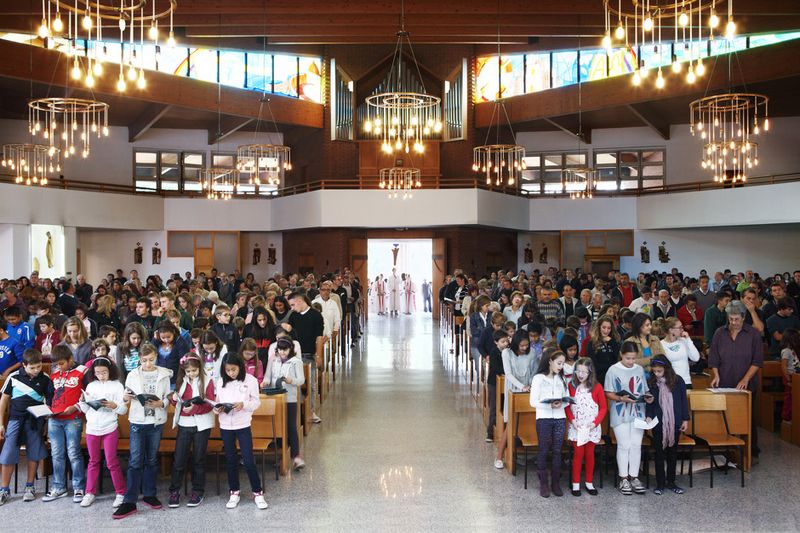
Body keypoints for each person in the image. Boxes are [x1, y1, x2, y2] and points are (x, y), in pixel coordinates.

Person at [114, 343, 172, 519]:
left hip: (156, 421)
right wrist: (126, 397)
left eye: (151, 360)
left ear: (156, 357)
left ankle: (149, 494)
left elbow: (167, 397)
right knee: (135, 460)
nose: (148, 363)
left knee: (152, 459)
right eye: (144, 360)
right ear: (139, 359)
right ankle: (130, 501)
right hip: (138, 421)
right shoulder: (132, 374)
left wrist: (161, 403)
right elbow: (125, 396)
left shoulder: (164, 374)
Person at [708, 300, 764, 459]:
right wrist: (716, 374)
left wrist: (745, 379)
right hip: (724, 382)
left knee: (748, 419)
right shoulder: (720, 332)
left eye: (737, 319)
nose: (733, 322)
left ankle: (750, 451)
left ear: (744, 317)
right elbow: (714, 357)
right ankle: (727, 450)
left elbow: (757, 361)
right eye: (730, 319)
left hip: (746, 386)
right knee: (725, 418)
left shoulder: (753, 334)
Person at [0, 348, 53, 505]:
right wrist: (1, 423)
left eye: (39, 366)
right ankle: (4, 489)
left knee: (34, 453)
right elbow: (3, 401)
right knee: (8, 452)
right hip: (16, 419)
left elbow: (50, 403)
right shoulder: (13, 377)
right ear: (24, 365)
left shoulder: (45, 378)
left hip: (35, 421)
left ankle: (30, 487)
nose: (36, 370)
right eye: (32, 367)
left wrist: (47, 423)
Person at [214, 353, 268, 510]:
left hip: (243, 424)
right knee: (230, 460)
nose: (231, 373)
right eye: (228, 370)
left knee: (248, 459)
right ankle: (234, 491)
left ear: (240, 367)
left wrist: (243, 404)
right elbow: (217, 402)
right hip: (225, 425)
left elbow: (256, 402)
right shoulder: (220, 381)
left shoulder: (250, 380)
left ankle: (257, 492)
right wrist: (218, 409)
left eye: (233, 369)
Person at [605, 341, 654, 495]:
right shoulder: (613, 370)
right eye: (628, 358)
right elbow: (608, 392)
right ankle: (623, 478)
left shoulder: (639, 369)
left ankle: (634, 477)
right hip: (621, 412)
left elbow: (644, 389)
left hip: (638, 411)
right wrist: (621, 399)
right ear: (621, 354)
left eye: (633, 358)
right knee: (624, 445)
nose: (631, 362)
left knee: (636, 444)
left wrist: (649, 398)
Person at [78, 356, 127, 508]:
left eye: (104, 372)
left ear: (110, 370)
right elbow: (85, 409)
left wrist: (114, 406)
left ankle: (120, 492)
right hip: (92, 427)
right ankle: (89, 492)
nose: (101, 375)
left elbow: (123, 410)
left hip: (110, 426)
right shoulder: (91, 385)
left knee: (112, 461)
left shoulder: (117, 386)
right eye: (98, 373)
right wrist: (82, 401)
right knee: (93, 461)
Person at [168, 353, 216, 508]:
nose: (191, 374)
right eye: (188, 371)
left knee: (198, 459)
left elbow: (210, 404)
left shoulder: (207, 380)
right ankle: (174, 491)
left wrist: (195, 408)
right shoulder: (181, 381)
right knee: (179, 459)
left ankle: (198, 490)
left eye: (194, 371)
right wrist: (175, 401)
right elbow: (177, 403)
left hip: (202, 425)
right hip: (185, 423)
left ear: (199, 368)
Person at [43, 345, 87, 503]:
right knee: (56, 454)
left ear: (70, 360)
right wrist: (46, 409)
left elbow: (87, 396)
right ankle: (59, 486)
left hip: (72, 419)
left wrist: (75, 407)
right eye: (56, 365)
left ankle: (78, 487)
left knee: (74, 453)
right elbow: (49, 396)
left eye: (62, 363)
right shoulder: (54, 375)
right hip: (55, 419)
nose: (59, 367)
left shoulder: (81, 372)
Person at [646, 357, 690, 496]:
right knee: (659, 454)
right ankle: (660, 484)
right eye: (655, 371)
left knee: (672, 454)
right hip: (658, 423)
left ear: (667, 369)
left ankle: (671, 482)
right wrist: (648, 415)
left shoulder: (678, 381)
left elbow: (683, 401)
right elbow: (649, 402)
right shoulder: (652, 382)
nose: (657, 374)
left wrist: (685, 419)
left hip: (674, 422)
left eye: (659, 371)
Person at [566, 357, 607, 497]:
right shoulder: (571, 386)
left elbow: (603, 408)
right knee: (578, 454)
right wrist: (572, 421)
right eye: (578, 371)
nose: (581, 375)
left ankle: (589, 482)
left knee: (590, 454)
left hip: (591, 427)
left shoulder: (597, 387)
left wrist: (594, 423)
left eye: (584, 372)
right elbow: (567, 406)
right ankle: (576, 483)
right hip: (577, 427)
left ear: (590, 372)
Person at [262, 337, 306, 470]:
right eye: (280, 350)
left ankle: (296, 456)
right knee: (279, 427)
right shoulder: (273, 360)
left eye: (285, 350)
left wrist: (290, 380)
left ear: (290, 349)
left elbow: (301, 380)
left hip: (289, 398)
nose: (282, 353)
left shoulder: (295, 362)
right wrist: (264, 382)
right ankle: (282, 455)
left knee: (291, 427)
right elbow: (268, 376)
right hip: (275, 397)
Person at [530, 349, 568, 498]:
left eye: (563, 364)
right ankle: (544, 483)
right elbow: (533, 401)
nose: (560, 366)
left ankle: (556, 483)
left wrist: (561, 404)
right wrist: (549, 405)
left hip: (560, 417)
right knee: (544, 449)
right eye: (559, 363)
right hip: (544, 417)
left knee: (558, 450)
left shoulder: (562, 379)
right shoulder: (539, 378)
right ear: (550, 361)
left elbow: (567, 398)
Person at [495, 330, 536, 470]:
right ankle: (499, 456)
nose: (525, 348)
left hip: (528, 389)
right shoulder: (507, 353)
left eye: (527, 345)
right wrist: (521, 387)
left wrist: (529, 385)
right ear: (516, 343)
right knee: (511, 423)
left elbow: (533, 371)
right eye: (522, 345)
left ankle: (524, 454)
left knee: (525, 421)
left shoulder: (532, 353)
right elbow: (508, 374)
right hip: (513, 389)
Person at [287, 292, 324, 424]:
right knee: (294, 383)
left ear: (300, 301)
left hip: (309, 354)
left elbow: (319, 337)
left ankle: (311, 410)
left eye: (292, 304)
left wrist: (318, 355)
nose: (291, 308)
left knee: (311, 384)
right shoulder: (293, 316)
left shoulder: (316, 315)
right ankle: (297, 410)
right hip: (294, 355)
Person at [660, 317, 701, 388]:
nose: (682, 330)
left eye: (682, 327)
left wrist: (688, 339)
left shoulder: (684, 341)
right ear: (671, 330)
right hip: (669, 382)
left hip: (686, 381)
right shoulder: (661, 344)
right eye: (680, 328)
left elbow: (696, 358)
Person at [485, 329, 509, 444]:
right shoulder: (494, 352)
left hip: (505, 381)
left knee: (504, 405)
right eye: (503, 342)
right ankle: (490, 432)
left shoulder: (508, 352)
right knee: (494, 406)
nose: (505, 344)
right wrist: (506, 372)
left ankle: (502, 429)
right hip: (494, 382)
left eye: (506, 341)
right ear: (496, 342)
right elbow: (496, 367)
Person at [586, 315, 620, 386]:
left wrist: (611, 342)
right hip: (599, 378)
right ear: (599, 327)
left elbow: (619, 357)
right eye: (603, 327)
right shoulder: (592, 343)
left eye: (609, 328)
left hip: (614, 376)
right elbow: (593, 364)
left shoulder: (615, 341)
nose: (606, 331)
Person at [469, 295, 491, 382]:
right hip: (477, 344)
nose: (488, 308)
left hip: (489, 345)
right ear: (481, 306)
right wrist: (486, 332)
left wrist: (482, 330)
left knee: (488, 369)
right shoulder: (474, 316)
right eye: (487, 306)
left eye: (489, 305)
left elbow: (493, 330)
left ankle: (486, 388)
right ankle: (479, 388)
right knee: (479, 368)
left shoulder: (491, 315)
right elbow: (474, 332)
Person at [780, 329, 800, 421]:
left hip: (796, 377)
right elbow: (784, 366)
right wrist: (788, 379)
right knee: (789, 398)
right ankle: (786, 417)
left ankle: (794, 416)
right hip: (790, 377)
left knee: (795, 397)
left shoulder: (793, 350)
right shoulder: (786, 351)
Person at [0, 316, 24, 380]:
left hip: (12, 375)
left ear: (1, 330)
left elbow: (22, 361)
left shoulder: (15, 342)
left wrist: (8, 370)